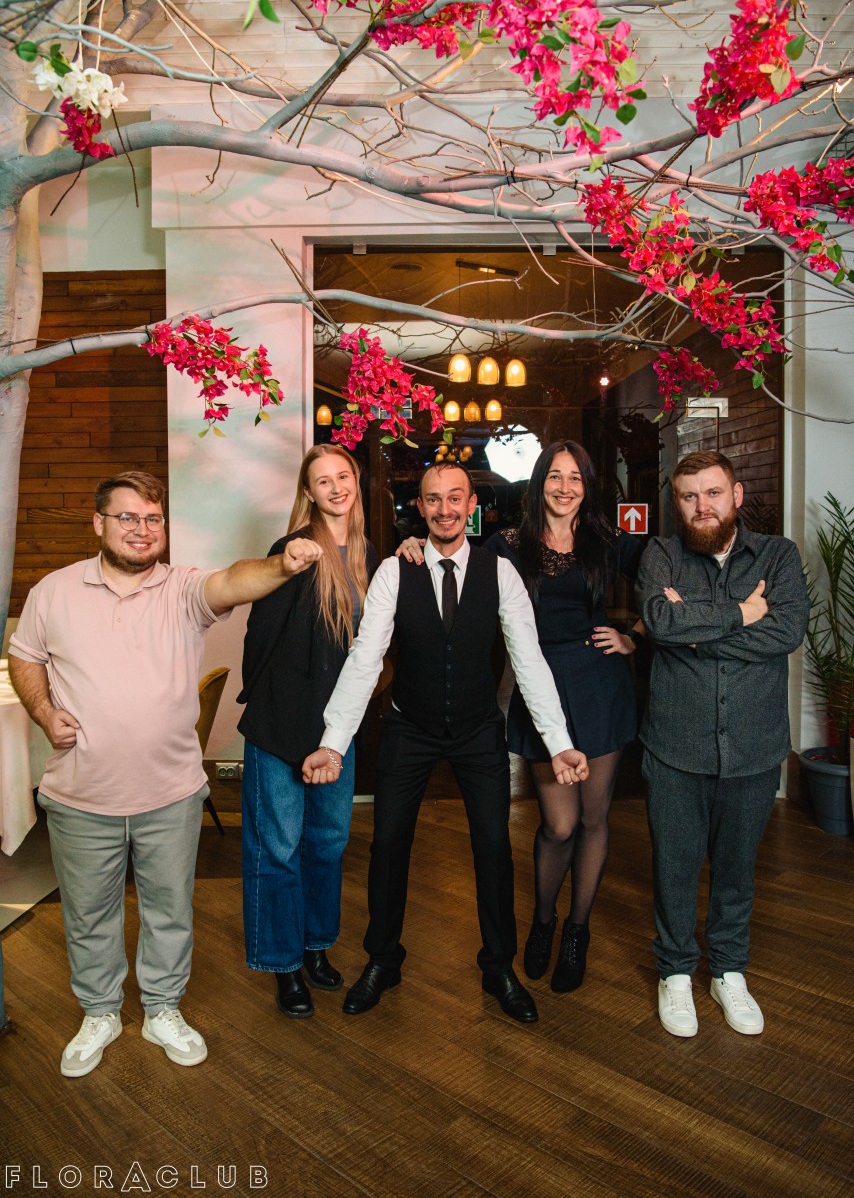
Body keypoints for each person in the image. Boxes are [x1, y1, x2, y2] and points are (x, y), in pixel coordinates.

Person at [8, 470, 320, 1078]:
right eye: (128, 517)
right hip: (81, 793)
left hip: (170, 793)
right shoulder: (54, 591)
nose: (142, 529)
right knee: (89, 915)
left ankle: (161, 1009)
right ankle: (99, 1013)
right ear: (98, 523)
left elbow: (234, 580)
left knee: (169, 910)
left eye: (153, 519)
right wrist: (45, 712)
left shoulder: (183, 589)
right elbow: (25, 657)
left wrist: (283, 566)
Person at [303, 463, 589, 1025]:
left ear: (471, 505)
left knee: (493, 847)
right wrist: (334, 743)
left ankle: (498, 967)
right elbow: (365, 658)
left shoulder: (500, 573)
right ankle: (383, 960)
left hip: (479, 730)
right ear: (421, 507)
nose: (444, 509)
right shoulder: (394, 570)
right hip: (409, 726)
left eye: (455, 498)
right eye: (433, 499)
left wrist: (558, 743)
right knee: (388, 845)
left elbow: (529, 661)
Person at [635, 450, 809, 1038]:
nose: (702, 506)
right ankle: (676, 972)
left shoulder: (779, 555)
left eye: (713, 493)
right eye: (689, 496)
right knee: (675, 866)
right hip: (674, 745)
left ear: (736, 495)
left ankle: (729, 971)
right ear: (677, 503)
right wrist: (743, 612)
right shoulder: (660, 555)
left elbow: (785, 632)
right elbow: (660, 623)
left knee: (736, 868)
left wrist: (694, 630)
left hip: (755, 745)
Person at [481, 440, 644, 995]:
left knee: (594, 819)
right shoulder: (507, 545)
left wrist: (634, 636)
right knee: (560, 825)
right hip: (538, 687)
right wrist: (413, 546)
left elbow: (670, 578)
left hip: (599, 685)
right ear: (538, 483)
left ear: (587, 486)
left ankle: (578, 930)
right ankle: (545, 920)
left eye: (576, 478)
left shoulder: (607, 541)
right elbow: (456, 573)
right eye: (555, 476)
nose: (565, 487)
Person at [237, 445, 378, 1019]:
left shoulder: (371, 555)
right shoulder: (295, 549)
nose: (336, 487)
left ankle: (316, 944)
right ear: (309, 493)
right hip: (281, 724)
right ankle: (283, 964)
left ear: (356, 482)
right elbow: (260, 635)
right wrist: (269, 708)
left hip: (336, 730)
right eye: (323, 481)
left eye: (343, 476)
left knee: (327, 843)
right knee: (278, 849)